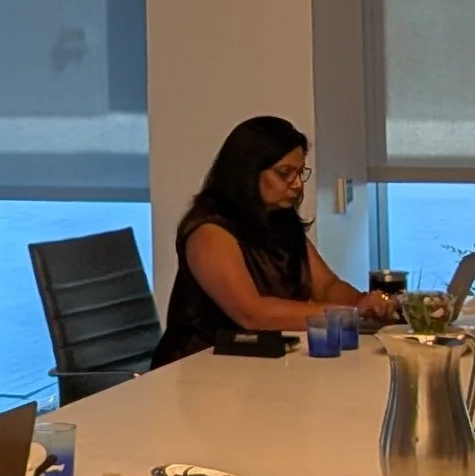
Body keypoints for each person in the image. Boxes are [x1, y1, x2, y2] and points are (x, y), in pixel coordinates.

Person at [153, 118, 394, 364]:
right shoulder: (209, 232)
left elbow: (326, 286)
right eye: (285, 173)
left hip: (261, 363)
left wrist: (362, 303)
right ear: (248, 173)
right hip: (199, 367)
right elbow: (253, 314)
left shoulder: (280, 220)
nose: (297, 184)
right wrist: (343, 314)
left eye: (300, 173)